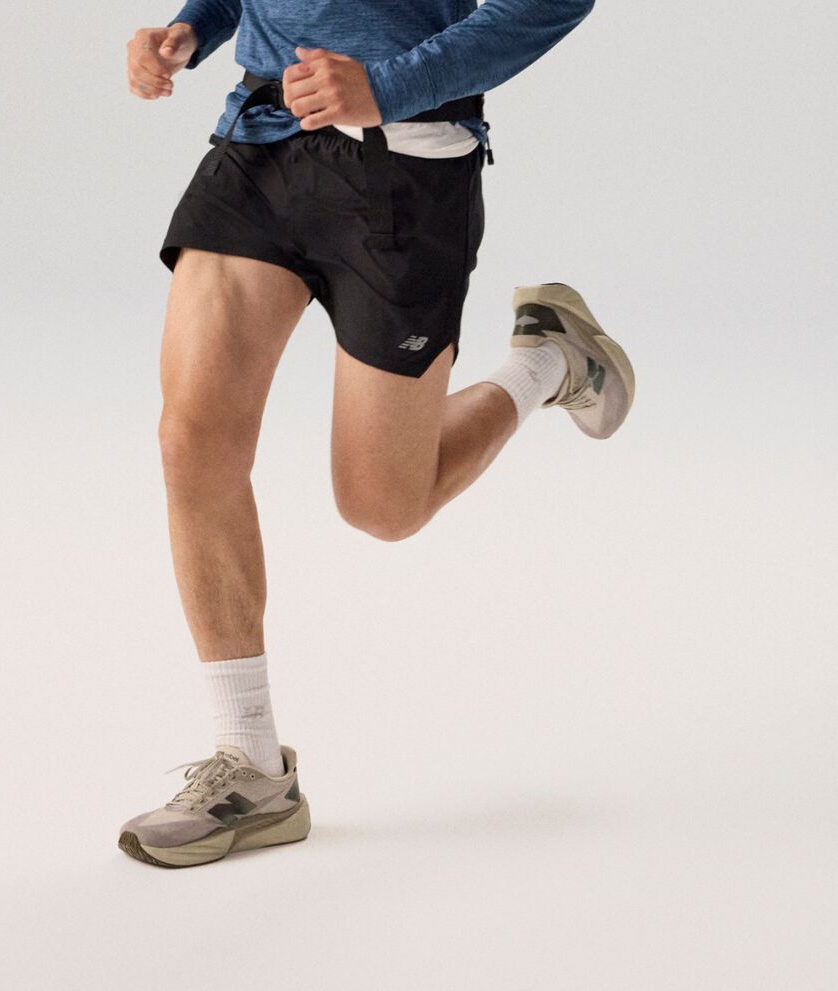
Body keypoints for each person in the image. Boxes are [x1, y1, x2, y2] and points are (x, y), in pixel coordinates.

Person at [118, 0, 633, 869]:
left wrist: (386, 88)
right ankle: (250, 764)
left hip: (406, 167)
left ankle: (547, 361)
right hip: (258, 138)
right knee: (192, 439)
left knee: (383, 506)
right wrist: (191, 28)